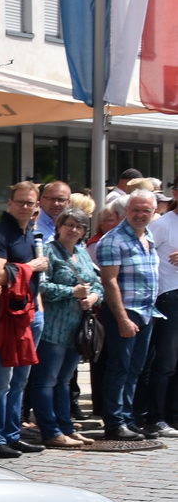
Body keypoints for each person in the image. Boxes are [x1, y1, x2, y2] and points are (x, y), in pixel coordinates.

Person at [0, 181, 49, 455]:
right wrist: (31, 266)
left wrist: (39, 311)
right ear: (9, 204)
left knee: (20, 381)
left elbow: (36, 282)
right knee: (0, 383)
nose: (25, 207)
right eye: (20, 202)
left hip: (30, 317)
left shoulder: (31, 233)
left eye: (30, 203)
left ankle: (12, 433)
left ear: (36, 207)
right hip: (6, 319)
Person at [28, 209, 102, 449]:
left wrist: (93, 297)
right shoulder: (48, 252)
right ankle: (50, 430)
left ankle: (66, 427)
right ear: (59, 226)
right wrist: (71, 292)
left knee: (65, 380)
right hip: (53, 328)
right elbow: (41, 286)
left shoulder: (82, 252)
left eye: (79, 226)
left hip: (77, 329)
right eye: (68, 224)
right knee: (47, 380)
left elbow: (97, 282)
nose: (73, 230)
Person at [97, 189, 161, 441]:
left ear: (153, 211)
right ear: (126, 210)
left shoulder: (149, 236)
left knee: (134, 369)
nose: (140, 214)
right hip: (124, 313)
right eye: (135, 209)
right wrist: (122, 318)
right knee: (119, 367)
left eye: (146, 210)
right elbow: (109, 282)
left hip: (146, 312)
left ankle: (127, 417)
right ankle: (114, 422)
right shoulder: (114, 240)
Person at [141, 192, 178, 438]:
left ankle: (173, 414)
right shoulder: (163, 224)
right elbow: (145, 256)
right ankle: (155, 417)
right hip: (170, 297)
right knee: (165, 363)